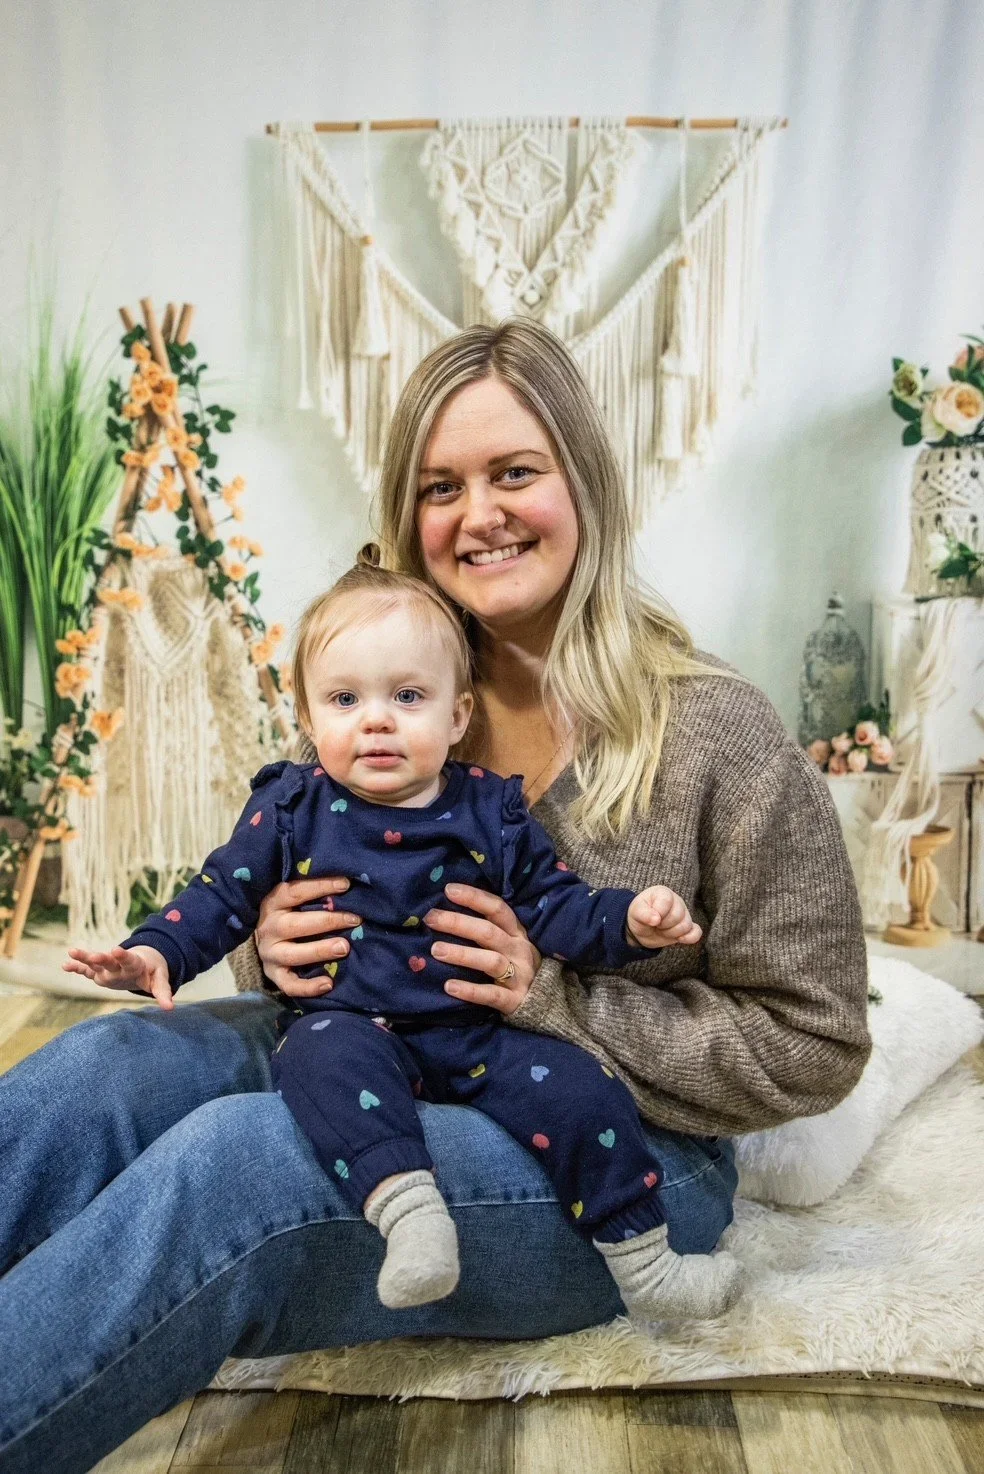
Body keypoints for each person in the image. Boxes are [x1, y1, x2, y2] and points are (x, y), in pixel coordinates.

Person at [0, 318, 870, 1474]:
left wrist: (556, 999)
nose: (479, 513)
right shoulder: (382, 672)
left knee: (235, 1162)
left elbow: (815, 1041)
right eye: (441, 486)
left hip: (617, 1149)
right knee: (110, 1068)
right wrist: (273, 941)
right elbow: (277, 871)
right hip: (373, 1043)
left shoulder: (720, 733)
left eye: (515, 471)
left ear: (586, 481)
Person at [64, 559, 742, 1324]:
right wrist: (155, 952)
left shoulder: (492, 813)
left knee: (584, 1089)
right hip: (351, 1027)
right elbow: (222, 895)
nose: (377, 720)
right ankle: (413, 1220)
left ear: (457, 717)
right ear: (309, 716)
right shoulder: (290, 807)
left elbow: (558, 908)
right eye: (345, 699)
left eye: (408, 697)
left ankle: (648, 1266)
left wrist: (631, 922)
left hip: (482, 1033)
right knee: (316, 1063)